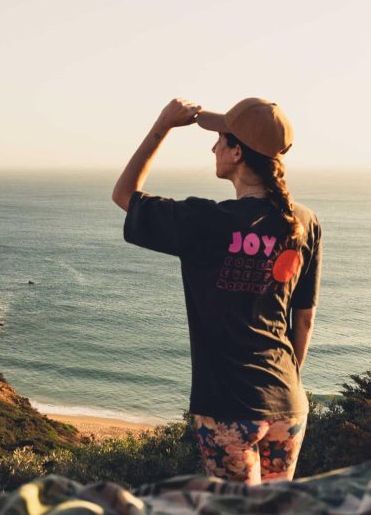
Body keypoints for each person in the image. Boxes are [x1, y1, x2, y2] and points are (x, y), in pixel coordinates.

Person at [112, 97, 321, 485]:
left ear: (238, 152)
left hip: (228, 407)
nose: (213, 147)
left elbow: (124, 194)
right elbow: (304, 320)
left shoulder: (206, 222)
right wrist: (282, 386)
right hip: (288, 403)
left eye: (220, 140)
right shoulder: (306, 222)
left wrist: (162, 126)